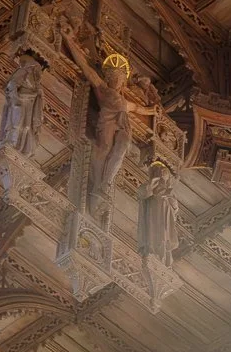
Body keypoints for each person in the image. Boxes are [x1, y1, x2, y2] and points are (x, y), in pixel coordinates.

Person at [60, 19, 158, 217]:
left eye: (119, 78)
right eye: (112, 76)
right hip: (105, 126)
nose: (115, 80)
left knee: (121, 150)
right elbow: (85, 67)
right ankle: (98, 186)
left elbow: (137, 107)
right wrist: (67, 39)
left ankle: (105, 184)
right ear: (107, 78)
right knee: (103, 150)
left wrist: (152, 111)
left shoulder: (121, 98)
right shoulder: (102, 89)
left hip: (122, 128)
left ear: (122, 83)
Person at [0, 52, 44, 156]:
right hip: (17, 103)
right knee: (15, 124)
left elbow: (35, 93)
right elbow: (12, 86)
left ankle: (21, 146)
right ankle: (13, 143)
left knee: (24, 126)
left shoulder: (32, 78)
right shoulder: (23, 72)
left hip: (26, 105)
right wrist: (17, 95)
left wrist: (31, 94)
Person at [137, 160, 179, 267]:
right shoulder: (149, 185)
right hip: (153, 211)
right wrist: (151, 186)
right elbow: (142, 194)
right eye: (160, 173)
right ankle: (153, 251)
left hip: (165, 216)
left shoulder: (169, 190)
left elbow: (175, 208)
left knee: (164, 235)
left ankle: (164, 255)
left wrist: (169, 198)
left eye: (165, 174)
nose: (163, 176)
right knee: (153, 232)